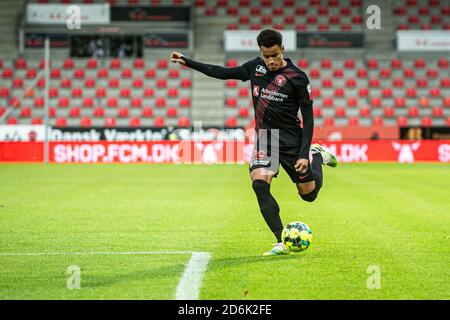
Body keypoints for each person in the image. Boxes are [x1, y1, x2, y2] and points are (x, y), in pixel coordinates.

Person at [170, 29, 337, 256]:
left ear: (282, 50)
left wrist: (304, 153)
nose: (271, 60)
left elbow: (308, 119)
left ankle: (318, 155)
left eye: (275, 55)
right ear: (261, 52)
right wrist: (187, 62)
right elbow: (222, 72)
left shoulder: (298, 78)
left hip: (293, 142)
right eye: (267, 56)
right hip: (266, 139)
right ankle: (282, 240)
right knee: (259, 185)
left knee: (308, 194)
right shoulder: (254, 68)